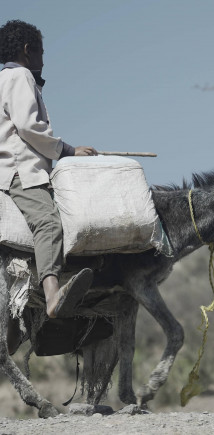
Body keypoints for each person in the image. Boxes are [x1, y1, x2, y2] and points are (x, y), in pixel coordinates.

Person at [0, 20, 97, 354]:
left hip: (16, 169)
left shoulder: (5, 78)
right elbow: (29, 127)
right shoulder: (19, 76)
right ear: (28, 50)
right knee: (49, 224)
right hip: (21, 172)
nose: (44, 58)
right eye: (41, 51)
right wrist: (67, 150)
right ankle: (54, 298)